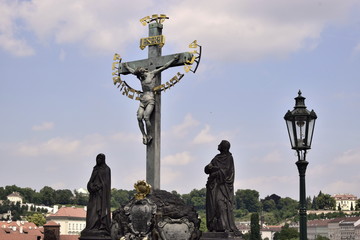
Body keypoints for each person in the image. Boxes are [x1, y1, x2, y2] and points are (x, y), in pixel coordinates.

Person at [124, 55, 179, 145]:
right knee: (139, 117)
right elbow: (132, 72)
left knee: (146, 117)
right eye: (139, 76)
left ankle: (149, 135)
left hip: (150, 99)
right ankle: (144, 135)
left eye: (141, 75)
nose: (140, 77)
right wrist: (126, 67)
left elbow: (164, 67)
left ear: (143, 72)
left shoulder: (152, 74)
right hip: (142, 100)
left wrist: (173, 60)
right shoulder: (139, 76)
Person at [204, 140, 240, 234]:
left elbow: (227, 172)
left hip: (223, 187)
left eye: (220, 144)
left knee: (221, 205)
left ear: (223, 147)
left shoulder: (229, 158)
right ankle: (215, 227)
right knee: (214, 206)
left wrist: (215, 171)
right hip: (214, 186)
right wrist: (209, 168)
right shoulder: (216, 158)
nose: (218, 145)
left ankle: (224, 226)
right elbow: (207, 169)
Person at [81, 153, 111, 237]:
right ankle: (90, 227)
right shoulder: (95, 169)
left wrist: (99, 186)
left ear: (103, 160)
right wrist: (91, 186)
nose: (98, 160)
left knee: (99, 211)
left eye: (100, 159)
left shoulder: (106, 169)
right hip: (93, 195)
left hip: (101, 196)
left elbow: (106, 183)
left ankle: (100, 226)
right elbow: (90, 181)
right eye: (97, 159)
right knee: (91, 210)